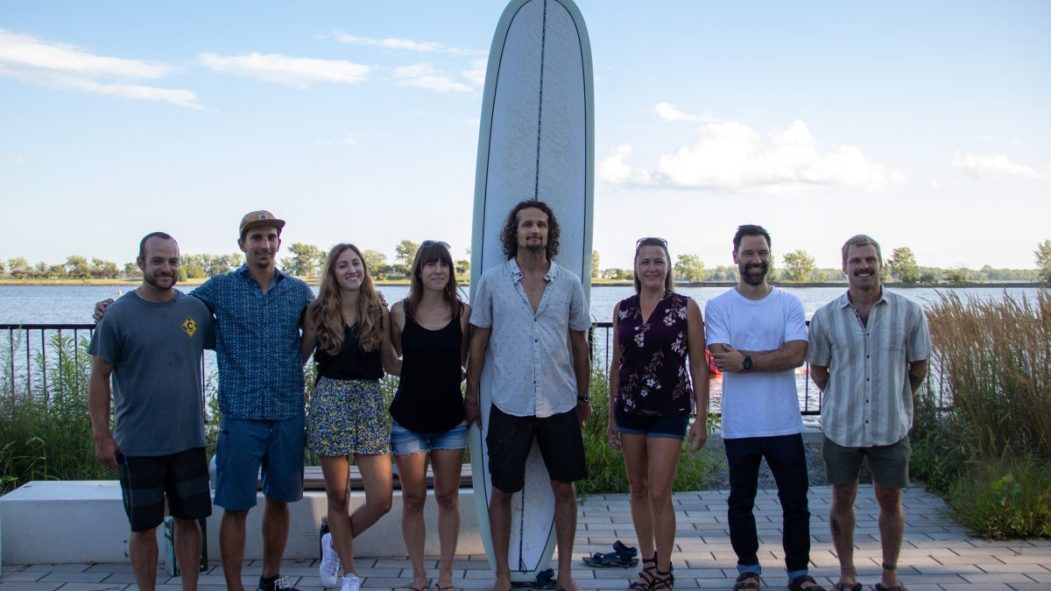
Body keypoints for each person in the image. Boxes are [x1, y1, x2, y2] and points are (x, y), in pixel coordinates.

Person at [94, 210, 315, 591]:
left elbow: (319, 326)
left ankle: (270, 579)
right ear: (242, 244)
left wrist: (297, 361)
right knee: (236, 506)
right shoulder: (218, 289)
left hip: (287, 413)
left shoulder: (299, 291)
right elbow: (164, 306)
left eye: (270, 237)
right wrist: (106, 309)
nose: (264, 244)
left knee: (280, 502)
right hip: (240, 416)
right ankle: (234, 587)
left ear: (279, 243)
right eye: (256, 237)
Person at [465, 199, 592, 591]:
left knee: (565, 489)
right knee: (502, 490)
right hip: (509, 402)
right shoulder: (492, 282)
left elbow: (580, 345)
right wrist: (471, 394)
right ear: (514, 233)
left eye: (540, 225)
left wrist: (584, 397)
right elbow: (478, 342)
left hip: (560, 402)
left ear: (550, 233)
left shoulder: (569, 283)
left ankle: (566, 573)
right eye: (526, 226)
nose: (534, 231)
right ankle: (502, 575)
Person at [88, 232, 214, 591]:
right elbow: (99, 377)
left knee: (190, 522)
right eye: (158, 260)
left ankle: (189, 587)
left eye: (173, 261)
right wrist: (102, 436)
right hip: (138, 444)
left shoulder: (195, 311)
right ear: (141, 263)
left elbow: (238, 339)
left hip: (188, 440)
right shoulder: (117, 315)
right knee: (143, 528)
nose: (166, 268)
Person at [806, 235, 931, 591]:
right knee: (842, 497)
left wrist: (893, 396)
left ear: (880, 263)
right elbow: (818, 371)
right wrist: (845, 396)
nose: (864, 266)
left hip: (890, 424)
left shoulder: (909, 312)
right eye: (856, 260)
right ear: (844, 266)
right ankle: (847, 573)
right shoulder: (827, 316)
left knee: (890, 498)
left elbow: (918, 366)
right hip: (841, 426)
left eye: (870, 259)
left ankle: (889, 574)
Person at [704, 225, 824, 591]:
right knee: (741, 500)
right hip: (741, 425)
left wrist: (749, 361)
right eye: (748, 253)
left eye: (762, 253)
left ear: (770, 255)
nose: (755, 260)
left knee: (795, 501)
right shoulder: (719, 305)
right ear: (735, 256)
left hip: (784, 422)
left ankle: (798, 574)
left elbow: (796, 353)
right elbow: (722, 357)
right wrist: (766, 357)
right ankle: (749, 570)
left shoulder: (788, 303)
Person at [607, 237, 709, 591]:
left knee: (658, 493)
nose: (652, 267)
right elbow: (617, 365)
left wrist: (701, 417)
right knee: (637, 488)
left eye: (658, 261)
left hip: (670, 408)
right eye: (645, 261)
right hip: (630, 410)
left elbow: (698, 363)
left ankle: (664, 572)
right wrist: (611, 416)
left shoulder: (685, 307)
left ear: (668, 266)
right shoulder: (623, 309)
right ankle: (648, 566)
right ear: (635, 267)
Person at [302, 243, 400, 591]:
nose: (351, 270)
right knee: (339, 497)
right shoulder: (317, 312)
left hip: (369, 401)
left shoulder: (378, 309)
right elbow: (299, 358)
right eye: (343, 265)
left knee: (381, 499)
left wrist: (435, 368)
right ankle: (350, 573)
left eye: (356, 263)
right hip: (330, 401)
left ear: (364, 268)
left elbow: (390, 364)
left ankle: (333, 540)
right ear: (332, 272)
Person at [388, 240, 472, 591]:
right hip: (408, 420)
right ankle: (419, 574)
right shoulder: (399, 311)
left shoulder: (463, 313)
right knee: (413, 499)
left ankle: (447, 573)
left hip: (451, 420)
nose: (438, 271)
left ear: (450, 272)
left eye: (444, 265)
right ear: (419, 270)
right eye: (430, 265)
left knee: (448, 498)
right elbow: (392, 360)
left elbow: (467, 362)